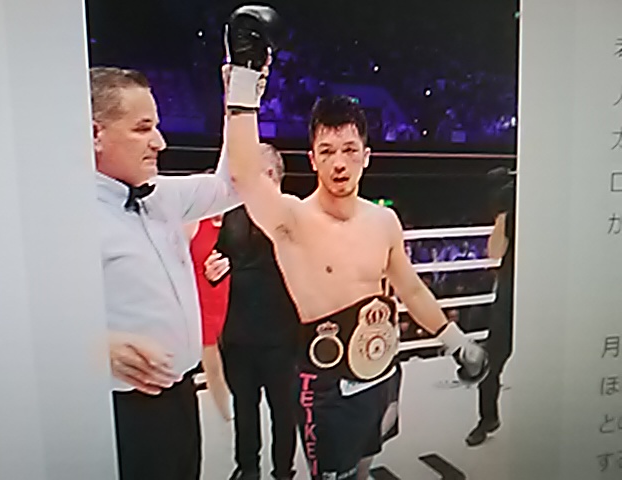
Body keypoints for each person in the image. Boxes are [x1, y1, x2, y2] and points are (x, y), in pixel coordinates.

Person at [218, 6, 489, 478]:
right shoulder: (292, 220)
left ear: (367, 156)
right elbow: (243, 174)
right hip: (325, 382)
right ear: (312, 159)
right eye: (327, 151)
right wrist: (243, 79)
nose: (339, 163)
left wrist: (455, 341)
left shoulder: (384, 221)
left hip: (382, 370)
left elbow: (411, 289)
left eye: (348, 150)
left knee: (365, 466)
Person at [92, 66, 240, 480]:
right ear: (96, 134)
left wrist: (239, 100)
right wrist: (88, 346)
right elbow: (18, 317)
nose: (160, 142)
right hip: (121, 411)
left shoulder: (162, 195)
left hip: (181, 398)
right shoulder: (63, 215)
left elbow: (233, 185)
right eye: (143, 128)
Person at [204, 144, 299, 480]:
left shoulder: (292, 214)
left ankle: (284, 472)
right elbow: (213, 261)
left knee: (284, 412)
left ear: (270, 174)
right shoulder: (231, 215)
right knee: (245, 411)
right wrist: (213, 270)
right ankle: (247, 470)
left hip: (282, 337)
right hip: (238, 335)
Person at [465, 170, 515, 446]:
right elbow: (495, 252)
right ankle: (487, 418)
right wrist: (504, 215)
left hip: (544, 285)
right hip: (512, 285)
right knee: (494, 356)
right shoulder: (509, 202)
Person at [187, 209, 233, 422]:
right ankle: (227, 416)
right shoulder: (193, 223)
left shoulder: (241, 222)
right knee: (213, 365)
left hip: (234, 299)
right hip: (203, 303)